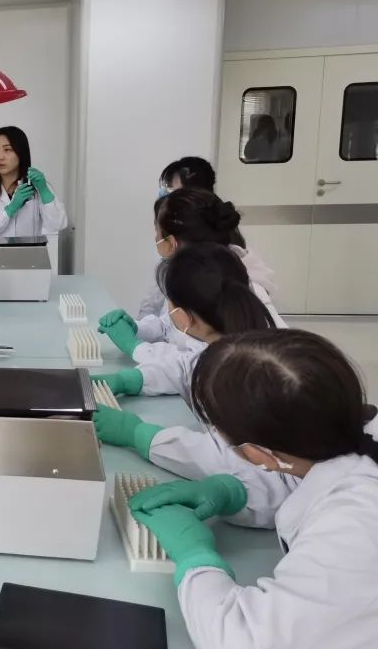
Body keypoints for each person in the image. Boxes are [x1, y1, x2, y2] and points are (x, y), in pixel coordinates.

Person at [127, 330, 378, 647]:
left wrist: (196, 560)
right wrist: (234, 492)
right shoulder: (350, 430)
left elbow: (244, 639)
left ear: (256, 453)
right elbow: (306, 474)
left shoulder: (353, 529)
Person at [94, 243, 276, 404]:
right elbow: (185, 369)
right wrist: (130, 380)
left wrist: (145, 432)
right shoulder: (231, 342)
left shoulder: (242, 376)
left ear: (183, 316)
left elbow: (217, 435)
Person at [116, 188, 281, 340]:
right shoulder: (188, 278)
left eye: (157, 232)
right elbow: (168, 324)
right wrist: (137, 328)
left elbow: (191, 354)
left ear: (172, 243)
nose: (155, 238)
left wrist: (141, 350)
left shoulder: (230, 288)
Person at [0, 126, 67, 238]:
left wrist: (44, 191)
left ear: (21, 153)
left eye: (7, 150)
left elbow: (58, 225)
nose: (0, 157)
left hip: (30, 249)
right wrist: (10, 209)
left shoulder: (37, 186)